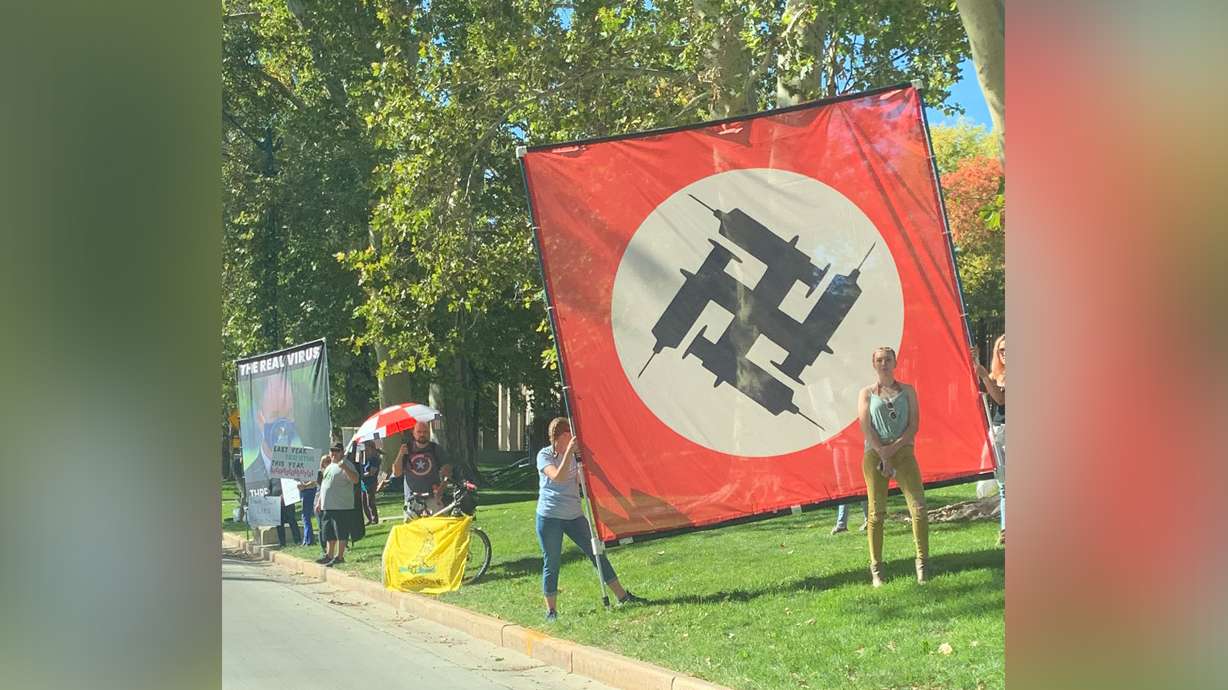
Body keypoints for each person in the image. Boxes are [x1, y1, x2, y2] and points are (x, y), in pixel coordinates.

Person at [536, 417, 645, 621]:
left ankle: (622, 596)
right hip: (549, 516)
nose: (570, 440)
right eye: (566, 437)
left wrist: (584, 461)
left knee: (596, 553)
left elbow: (586, 479)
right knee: (552, 561)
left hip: (574, 516)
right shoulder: (544, 455)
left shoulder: (576, 455)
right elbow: (557, 477)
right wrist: (569, 451)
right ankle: (551, 611)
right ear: (561, 437)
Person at [858, 346, 929, 587]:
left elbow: (914, 425)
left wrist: (893, 450)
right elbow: (865, 427)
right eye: (879, 360)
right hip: (874, 454)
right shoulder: (867, 393)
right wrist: (882, 453)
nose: (884, 363)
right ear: (873, 364)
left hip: (903, 452)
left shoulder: (908, 391)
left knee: (918, 508)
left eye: (888, 359)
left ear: (895, 362)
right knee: (876, 514)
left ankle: (922, 565)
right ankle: (876, 569)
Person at [378, 421, 452, 517]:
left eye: (425, 432)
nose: (422, 434)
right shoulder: (406, 449)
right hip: (412, 499)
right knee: (412, 530)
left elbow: (448, 471)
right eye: (419, 432)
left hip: (433, 498)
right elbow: (396, 473)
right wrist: (400, 454)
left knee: (436, 528)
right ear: (413, 433)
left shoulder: (435, 449)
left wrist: (441, 490)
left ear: (429, 433)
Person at [975, 335, 1006, 547]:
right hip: (998, 430)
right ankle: (1005, 530)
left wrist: (985, 377)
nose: (1005, 353)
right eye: (1001, 350)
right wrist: (975, 361)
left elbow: (1001, 399)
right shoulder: (998, 375)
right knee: (1004, 484)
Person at [314, 442, 361, 567]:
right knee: (329, 533)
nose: (334, 453)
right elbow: (324, 486)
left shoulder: (347, 464)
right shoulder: (329, 466)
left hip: (342, 506)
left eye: (337, 451)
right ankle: (329, 555)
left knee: (341, 532)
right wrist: (319, 502)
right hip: (328, 506)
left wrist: (345, 467)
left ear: (342, 452)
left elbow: (356, 479)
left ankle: (339, 556)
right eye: (332, 451)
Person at [268, 478, 301, 548]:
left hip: (289, 502)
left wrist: (284, 495)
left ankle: (298, 541)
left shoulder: (288, 477)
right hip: (277, 504)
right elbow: (269, 490)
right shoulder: (272, 479)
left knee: (292, 521)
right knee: (279, 524)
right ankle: (282, 543)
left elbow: (293, 488)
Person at [360, 441, 383, 525]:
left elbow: (372, 472)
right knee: (364, 502)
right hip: (363, 483)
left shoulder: (375, 459)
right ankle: (368, 518)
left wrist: (362, 475)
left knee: (370, 501)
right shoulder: (365, 459)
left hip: (371, 482)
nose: (365, 449)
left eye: (366, 447)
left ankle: (374, 518)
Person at [297, 471, 318, 546]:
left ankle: (309, 540)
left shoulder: (312, 466)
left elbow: (315, 480)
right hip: (303, 491)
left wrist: (305, 485)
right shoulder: (302, 467)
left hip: (309, 490)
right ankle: (307, 539)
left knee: (306, 516)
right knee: (305, 516)